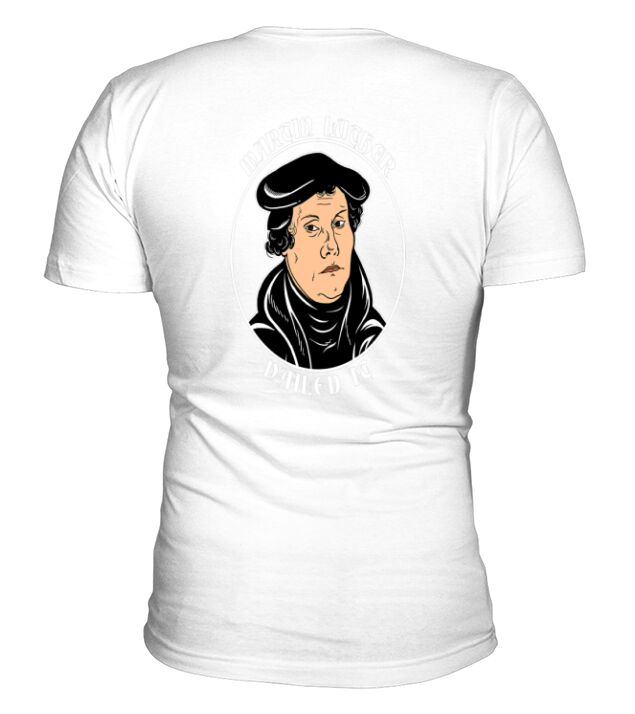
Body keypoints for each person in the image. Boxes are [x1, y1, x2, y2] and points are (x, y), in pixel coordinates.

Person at [250, 152, 385, 369]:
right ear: (284, 243)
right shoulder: (263, 339)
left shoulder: (374, 334)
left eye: (339, 224)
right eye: (312, 228)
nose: (331, 246)